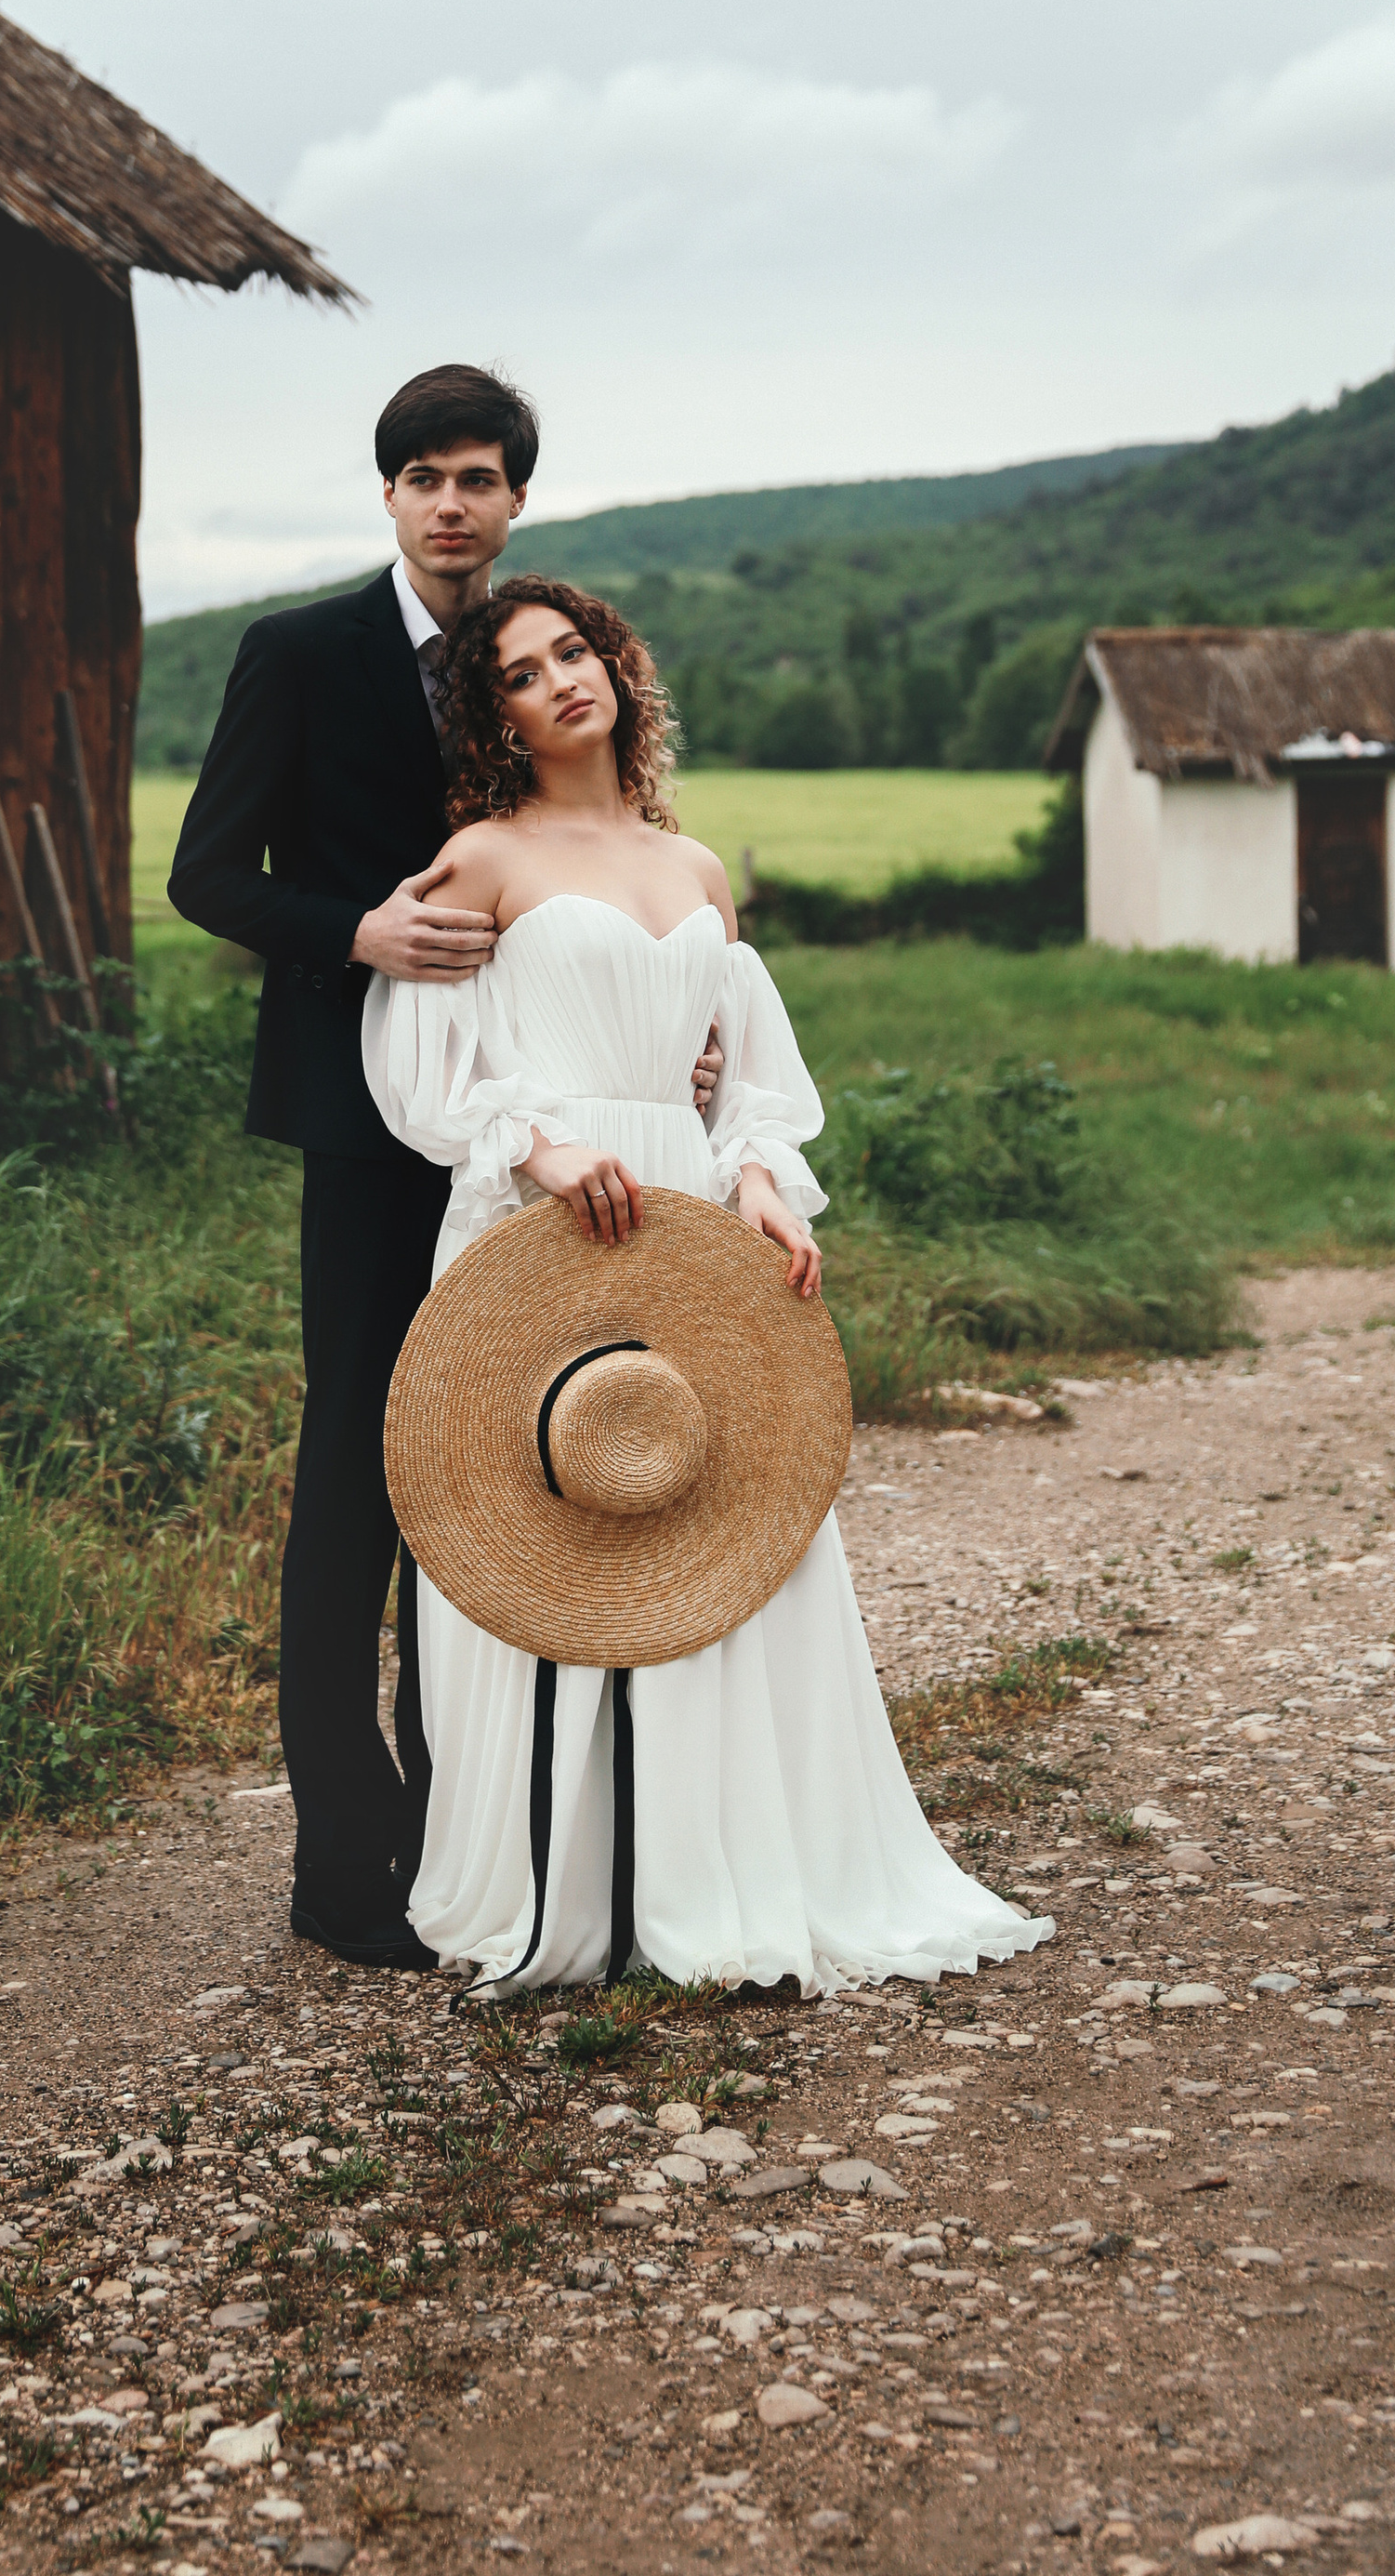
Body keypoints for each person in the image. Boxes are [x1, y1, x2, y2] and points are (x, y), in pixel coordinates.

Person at [364, 574, 1054, 1995]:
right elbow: (424, 1061)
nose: (558, 679)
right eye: (517, 672)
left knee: (715, 1507)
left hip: (683, 1207)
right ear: (491, 715)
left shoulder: (696, 870)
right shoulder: (478, 856)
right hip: (543, 1213)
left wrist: (756, 1179)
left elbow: (747, 1073)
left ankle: (730, 1865)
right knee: (557, 1509)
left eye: (574, 652)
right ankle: (565, 1887)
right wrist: (542, 1149)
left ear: (616, 668)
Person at [167, 365, 540, 1967]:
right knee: (354, 1478)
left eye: (477, 476)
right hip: (362, 1121)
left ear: (516, 496)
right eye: (422, 477)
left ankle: (474, 1838)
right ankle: (343, 1864)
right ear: (387, 498)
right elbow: (204, 875)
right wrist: (359, 932)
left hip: (525, 1123)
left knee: (492, 1465)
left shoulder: (543, 657)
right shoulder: (299, 653)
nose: (450, 502)